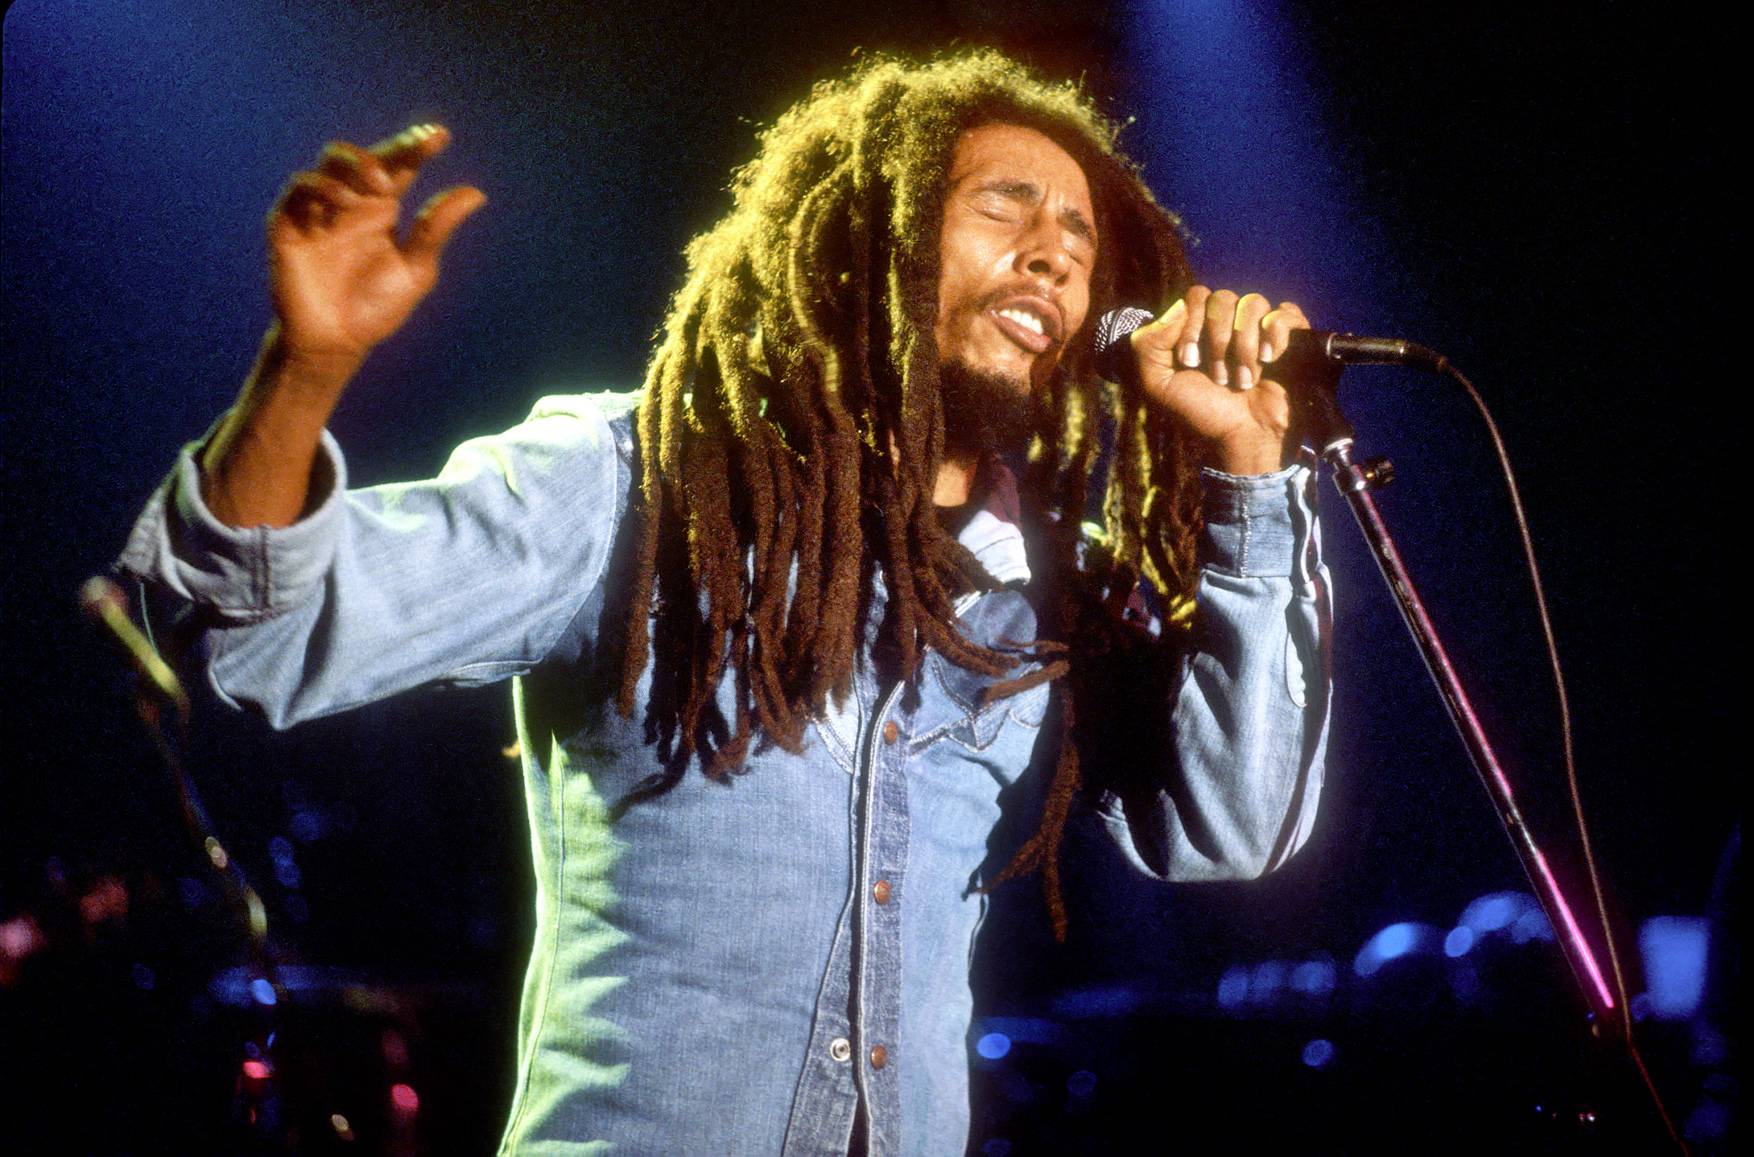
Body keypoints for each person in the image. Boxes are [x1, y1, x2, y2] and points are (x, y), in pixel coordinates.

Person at [118, 51, 1330, 1154]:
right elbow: (259, 631)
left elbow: (1234, 825)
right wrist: (308, 368)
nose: (1054, 252)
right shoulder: (633, 487)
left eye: (1076, 234)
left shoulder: (1049, 595)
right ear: (868, 243)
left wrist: (1250, 471)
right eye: (1003, 205)